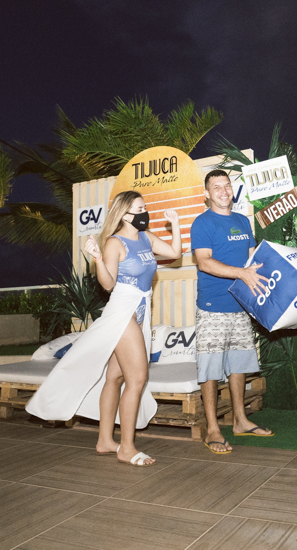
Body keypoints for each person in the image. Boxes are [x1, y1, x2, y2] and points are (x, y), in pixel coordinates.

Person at [25, 191, 182, 467]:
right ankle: (126, 448)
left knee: (115, 376)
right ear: (124, 214)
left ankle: (105, 441)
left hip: (142, 309)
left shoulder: (147, 238)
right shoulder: (114, 243)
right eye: (139, 209)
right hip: (123, 311)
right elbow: (108, 284)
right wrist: (98, 258)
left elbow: (175, 253)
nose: (144, 213)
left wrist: (176, 224)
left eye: (144, 208)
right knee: (137, 379)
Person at [191, 169, 274, 454]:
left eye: (227, 185)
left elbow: (253, 260)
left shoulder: (242, 221)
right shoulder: (202, 223)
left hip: (241, 305)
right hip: (212, 307)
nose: (224, 191)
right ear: (207, 194)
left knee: (238, 364)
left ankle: (240, 420)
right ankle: (213, 429)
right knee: (210, 369)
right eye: (217, 187)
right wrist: (241, 273)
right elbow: (204, 262)